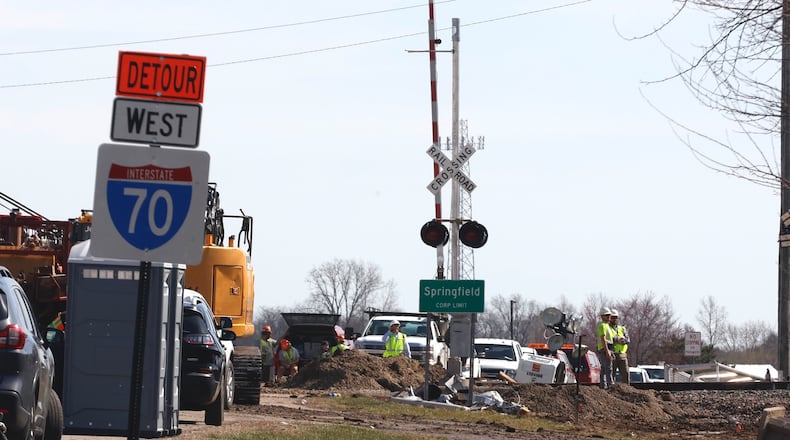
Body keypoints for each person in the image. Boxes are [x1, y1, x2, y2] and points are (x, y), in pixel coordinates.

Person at [609, 309, 630, 385]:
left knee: (626, 374)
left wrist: (622, 341)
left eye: (615, 317)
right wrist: (615, 340)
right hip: (612, 354)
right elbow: (606, 339)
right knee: (611, 375)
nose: (614, 319)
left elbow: (628, 340)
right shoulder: (607, 328)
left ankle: (627, 389)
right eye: (612, 317)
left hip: (622, 355)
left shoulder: (622, 328)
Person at [596, 307, 615, 389]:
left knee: (604, 368)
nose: (608, 317)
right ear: (602, 316)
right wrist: (607, 351)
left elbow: (612, 337)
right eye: (606, 315)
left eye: (609, 315)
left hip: (608, 348)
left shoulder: (608, 326)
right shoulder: (602, 326)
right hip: (604, 349)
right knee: (608, 368)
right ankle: (610, 385)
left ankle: (603, 386)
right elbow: (603, 338)